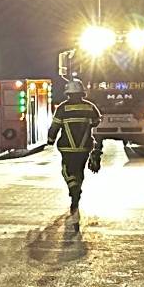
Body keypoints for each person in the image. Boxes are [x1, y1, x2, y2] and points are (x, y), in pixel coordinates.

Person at [48, 79, 103, 212]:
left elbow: (54, 126)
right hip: (85, 147)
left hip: (67, 147)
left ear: (68, 94)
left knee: (67, 170)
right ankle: (76, 190)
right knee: (80, 171)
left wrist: (51, 139)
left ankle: (74, 191)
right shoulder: (90, 107)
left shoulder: (62, 108)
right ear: (82, 93)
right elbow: (97, 121)